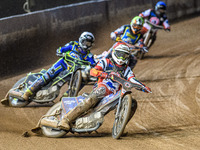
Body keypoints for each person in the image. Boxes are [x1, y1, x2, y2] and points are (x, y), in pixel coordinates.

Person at [58, 43, 151, 130]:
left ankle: (120, 127)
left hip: (115, 93)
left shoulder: (126, 69)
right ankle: (66, 119)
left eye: (124, 55)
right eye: (120, 54)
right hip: (103, 87)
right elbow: (93, 71)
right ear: (115, 53)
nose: (121, 57)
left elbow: (132, 79)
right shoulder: (106, 62)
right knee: (98, 93)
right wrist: (104, 74)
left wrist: (143, 86)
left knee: (133, 103)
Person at [20, 31, 96, 101]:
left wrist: (94, 67)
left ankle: (65, 98)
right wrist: (60, 52)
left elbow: (93, 64)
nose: (86, 45)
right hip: (62, 63)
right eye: (85, 42)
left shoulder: (88, 55)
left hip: (72, 70)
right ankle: (28, 92)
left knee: (82, 81)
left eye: (88, 43)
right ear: (81, 40)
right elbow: (61, 49)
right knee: (48, 75)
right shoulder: (73, 45)